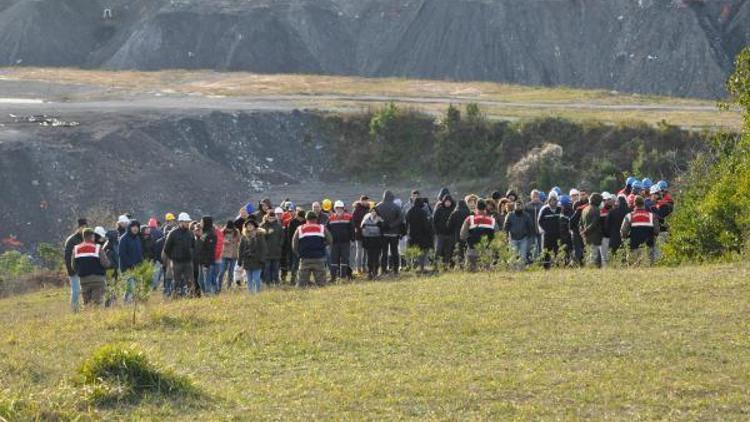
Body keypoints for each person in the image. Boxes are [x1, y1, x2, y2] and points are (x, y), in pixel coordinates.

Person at [292, 211, 333, 287]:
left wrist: (298, 254)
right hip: (319, 258)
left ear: (306, 219)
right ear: (316, 219)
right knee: (322, 284)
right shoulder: (321, 227)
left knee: (301, 284)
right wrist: (323, 246)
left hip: (305, 258)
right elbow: (330, 240)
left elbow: (294, 244)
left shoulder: (300, 228)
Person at [72, 228, 111, 307]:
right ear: (92, 236)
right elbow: (105, 264)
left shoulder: (76, 249)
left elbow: (73, 266)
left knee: (87, 304)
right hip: (98, 280)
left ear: (84, 237)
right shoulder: (98, 248)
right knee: (97, 304)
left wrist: (80, 272)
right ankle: (96, 318)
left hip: (84, 280)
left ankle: (88, 318)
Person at [163, 212, 196, 297]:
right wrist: (173, 258)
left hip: (188, 262)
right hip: (176, 262)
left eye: (188, 222)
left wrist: (191, 256)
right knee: (176, 282)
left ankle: (190, 298)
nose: (188, 223)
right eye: (186, 222)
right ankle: (176, 297)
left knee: (190, 281)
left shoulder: (190, 233)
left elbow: (193, 246)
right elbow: (166, 249)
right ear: (180, 222)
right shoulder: (173, 233)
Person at [460, 199, 497, 272]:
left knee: (470, 274)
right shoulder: (492, 220)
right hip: (487, 251)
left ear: (476, 208)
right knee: (487, 274)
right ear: (485, 208)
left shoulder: (469, 219)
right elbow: (497, 236)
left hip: (472, 251)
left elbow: (463, 235)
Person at [620, 195, 659, 264]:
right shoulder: (651, 215)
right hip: (648, 246)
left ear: (634, 204)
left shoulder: (629, 216)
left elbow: (623, 232)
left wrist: (627, 238)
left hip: (634, 246)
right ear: (643, 204)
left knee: (634, 267)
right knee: (649, 267)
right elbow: (656, 231)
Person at [375, 190, 403, 276]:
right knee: (395, 252)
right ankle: (396, 270)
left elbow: (375, 218)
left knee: (384, 252)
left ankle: (383, 269)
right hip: (394, 233)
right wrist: (391, 225)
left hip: (383, 233)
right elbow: (400, 219)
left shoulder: (378, 206)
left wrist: (383, 224)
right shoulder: (396, 207)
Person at [64, 218, 88, 312]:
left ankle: (82, 308)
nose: (83, 229)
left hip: (83, 269)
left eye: (85, 227)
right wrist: (71, 270)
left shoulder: (86, 239)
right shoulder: (71, 240)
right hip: (74, 270)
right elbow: (67, 257)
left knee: (83, 290)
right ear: (78, 228)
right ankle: (74, 310)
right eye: (82, 227)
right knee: (76, 291)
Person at [327, 200, 355, 282]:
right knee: (333, 261)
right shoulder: (330, 218)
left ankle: (343, 277)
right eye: (337, 208)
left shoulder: (349, 217)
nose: (339, 210)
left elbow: (352, 230)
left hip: (345, 243)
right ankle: (333, 278)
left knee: (344, 260)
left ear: (343, 208)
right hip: (334, 243)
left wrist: (353, 240)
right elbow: (327, 231)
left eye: (340, 208)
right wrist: (328, 241)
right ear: (335, 209)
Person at [503, 200, 535, 269]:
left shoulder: (527, 216)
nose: (518, 206)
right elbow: (506, 227)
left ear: (522, 206)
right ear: (514, 206)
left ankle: (520, 271)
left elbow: (530, 226)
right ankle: (512, 270)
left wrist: (530, 237)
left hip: (524, 238)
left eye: (520, 205)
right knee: (512, 256)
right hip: (513, 238)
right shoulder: (510, 215)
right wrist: (505, 236)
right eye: (517, 205)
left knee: (523, 256)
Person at [405, 197, 434, 273]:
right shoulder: (423, 212)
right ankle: (421, 267)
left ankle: (412, 264)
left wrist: (406, 233)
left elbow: (406, 223)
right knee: (422, 251)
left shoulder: (409, 211)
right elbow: (426, 225)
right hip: (422, 235)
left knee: (412, 251)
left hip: (412, 235)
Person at [238, 220, 267, 294]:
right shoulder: (244, 237)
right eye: (248, 225)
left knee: (256, 278)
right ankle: (250, 293)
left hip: (257, 261)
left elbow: (263, 248)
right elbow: (240, 249)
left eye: (251, 225)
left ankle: (258, 292)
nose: (249, 226)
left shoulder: (259, 235)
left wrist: (262, 259)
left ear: (254, 226)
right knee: (249, 279)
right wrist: (240, 261)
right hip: (247, 260)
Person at [118, 220, 144, 302]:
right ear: (129, 227)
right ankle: (127, 305)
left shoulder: (137, 238)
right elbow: (122, 254)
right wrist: (130, 264)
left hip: (137, 268)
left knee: (135, 288)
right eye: (133, 227)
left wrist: (141, 263)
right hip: (127, 269)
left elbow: (139, 252)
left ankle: (130, 305)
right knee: (130, 287)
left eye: (137, 227)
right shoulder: (124, 239)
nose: (135, 229)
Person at [538, 192, 562, 269]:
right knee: (545, 252)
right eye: (551, 200)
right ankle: (545, 268)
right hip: (547, 236)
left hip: (558, 235)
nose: (553, 201)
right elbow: (539, 221)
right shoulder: (544, 209)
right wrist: (543, 231)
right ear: (549, 200)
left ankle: (558, 267)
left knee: (557, 251)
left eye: (554, 200)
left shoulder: (560, 209)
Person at [580, 193, 604, 267]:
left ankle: (588, 269)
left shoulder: (584, 209)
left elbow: (580, 223)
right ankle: (591, 270)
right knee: (594, 256)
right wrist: (586, 231)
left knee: (588, 254)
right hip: (594, 236)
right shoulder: (596, 210)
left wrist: (582, 232)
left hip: (586, 237)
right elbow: (594, 223)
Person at [360, 205, 384, 279]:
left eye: (375, 211)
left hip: (377, 241)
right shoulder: (366, 220)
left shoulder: (380, 220)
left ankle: (375, 272)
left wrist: (380, 224)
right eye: (372, 211)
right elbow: (363, 230)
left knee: (376, 257)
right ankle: (369, 272)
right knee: (369, 257)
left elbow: (383, 230)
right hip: (369, 241)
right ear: (370, 212)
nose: (373, 213)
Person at [260, 211, 284, 285]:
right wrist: (267, 233)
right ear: (267, 217)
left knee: (275, 268)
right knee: (266, 268)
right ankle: (267, 282)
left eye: (273, 218)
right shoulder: (263, 226)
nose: (271, 219)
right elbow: (260, 238)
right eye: (270, 218)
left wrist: (280, 246)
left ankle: (275, 282)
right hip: (266, 251)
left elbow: (282, 237)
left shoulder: (279, 226)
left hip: (276, 251)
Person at [433, 194, 455, 267]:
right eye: (446, 201)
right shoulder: (439, 209)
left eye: (449, 201)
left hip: (450, 234)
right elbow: (434, 221)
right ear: (444, 201)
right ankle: (435, 264)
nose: (448, 203)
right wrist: (437, 231)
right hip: (440, 234)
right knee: (438, 250)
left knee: (448, 251)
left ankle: (446, 265)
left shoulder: (453, 210)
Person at [447, 199, 471, 268]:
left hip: (457, 234)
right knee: (467, 249)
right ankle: (467, 264)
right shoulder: (468, 212)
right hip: (467, 234)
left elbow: (449, 225)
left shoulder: (455, 213)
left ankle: (460, 265)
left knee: (459, 250)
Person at [218, 220, 240, 290]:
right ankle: (219, 286)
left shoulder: (236, 232)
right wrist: (224, 241)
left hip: (233, 254)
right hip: (224, 254)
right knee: (221, 271)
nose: (229, 230)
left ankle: (229, 286)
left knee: (231, 272)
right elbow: (219, 240)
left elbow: (239, 240)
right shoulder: (222, 231)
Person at [286, 209, 306, 284]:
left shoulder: (305, 222)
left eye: (302, 218)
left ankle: (303, 278)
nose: (301, 219)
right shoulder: (292, 222)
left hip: (304, 245)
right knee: (295, 263)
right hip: (295, 245)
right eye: (299, 218)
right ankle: (293, 279)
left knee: (304, 263)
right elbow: (290, 235)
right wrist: (293, 245)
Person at [606, 194, 629, 259]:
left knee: (614, 256)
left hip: (614, 238)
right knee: (625, 257)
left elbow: (607, 226)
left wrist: (609, 234)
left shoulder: (612, 212)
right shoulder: (629, 211)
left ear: (618, 202)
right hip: (626, 238)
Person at [351, 196, 370, 274]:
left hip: (367, 233)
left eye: (366, 200)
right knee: (359, 251)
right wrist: (357, 229)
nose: (365, 202)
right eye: (364, 200)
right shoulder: (356, 209)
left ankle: (364, 267)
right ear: (361, 201)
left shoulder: (368, 209)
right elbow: (353, 222)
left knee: (365, 252)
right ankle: (358, 268)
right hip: (358, 233)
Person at [525, 190, 543, 261]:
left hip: (540, 230)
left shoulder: (542, 205)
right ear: (531, 197)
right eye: (534, 197)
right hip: (530, 231)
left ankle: (541, 261)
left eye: (537, 196)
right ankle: (530, 261)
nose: (535, 198)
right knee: (530, 247)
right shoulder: (527, 206)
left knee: (541, 247)